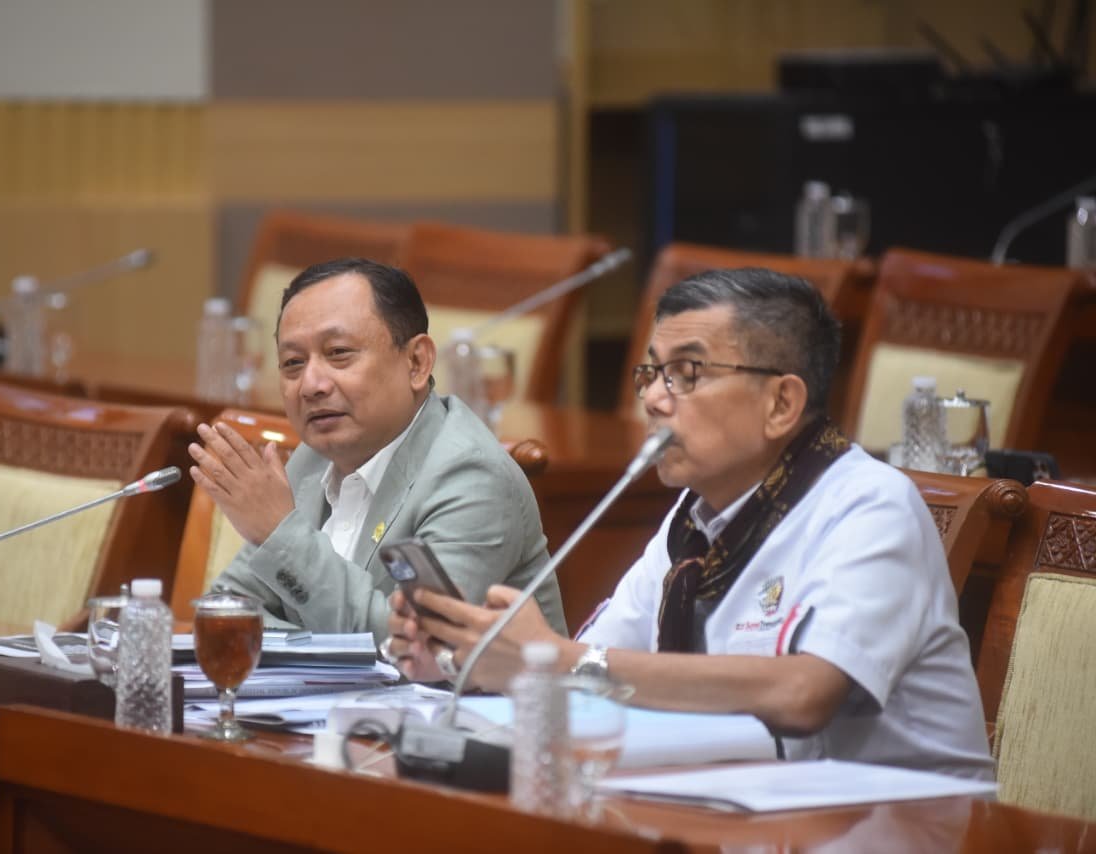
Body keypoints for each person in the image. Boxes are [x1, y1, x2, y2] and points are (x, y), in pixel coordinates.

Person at [386, 267, 994, 780]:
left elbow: (803, 694)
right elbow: (602, 669)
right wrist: (468, 660)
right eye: (651, 373)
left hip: (899, 828)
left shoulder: (869, 506)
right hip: (734, 811)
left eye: (688, 374)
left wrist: (560, 660)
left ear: (782, 403)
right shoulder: (694, 518)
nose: (653, 399)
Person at [188, 257, 566, 643]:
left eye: (339, 353)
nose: (311, 385)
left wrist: (280, 535)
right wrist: (311, 638)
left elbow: (413, 648)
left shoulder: (472, 477)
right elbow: (225, 611)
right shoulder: (312, 459)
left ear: (416, 362)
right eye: (293, 363)